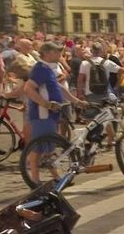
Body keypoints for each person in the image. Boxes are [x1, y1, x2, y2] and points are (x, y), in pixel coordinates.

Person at [22, 42, 86, 183]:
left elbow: (59, 88)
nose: (60, 55)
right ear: (47, 53)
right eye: (57, 52)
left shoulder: (48, 68)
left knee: (48, 147)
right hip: (42, 114)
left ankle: (56, 177)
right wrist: (45, 104)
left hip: (50, 113)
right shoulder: (40, 69)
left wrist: (77, 101)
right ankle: (36, 179)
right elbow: (28, 88)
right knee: (38, 148)